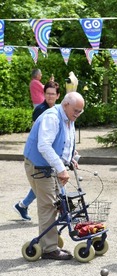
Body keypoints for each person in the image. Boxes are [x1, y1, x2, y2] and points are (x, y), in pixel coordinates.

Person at [23, 92, 85, 260]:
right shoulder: (52, 118)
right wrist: (61, 168)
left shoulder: (68, 117)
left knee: (58, 203)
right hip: (39, 165)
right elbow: (44, 146)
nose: (78, 114)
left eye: (81, 111)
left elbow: (65, 142)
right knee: (48, 205)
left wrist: (70, 159)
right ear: (65, 105)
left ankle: (50, 241)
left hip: (50, 166)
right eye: (76, 111)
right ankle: (49, 249)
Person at [14, 81, 61, 221]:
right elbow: (38, 133)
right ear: (44, 94)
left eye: (53, 94)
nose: (50, 96)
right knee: (45, 184)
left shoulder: (59, 110)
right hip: (41, 152)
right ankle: (23, 205)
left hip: (51, 151)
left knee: (45, 184)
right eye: (47, 94)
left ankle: (22, 205)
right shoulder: (41, 109)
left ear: (58, 96)